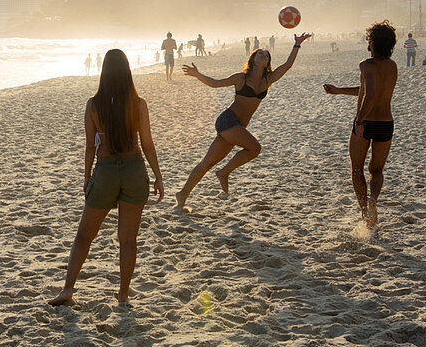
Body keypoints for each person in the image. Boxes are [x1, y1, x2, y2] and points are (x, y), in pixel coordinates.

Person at [49, 49, 164, 306]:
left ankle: (68, 289)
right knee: (127, 239)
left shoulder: (94, 104)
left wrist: (87, 176)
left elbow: (90, 146)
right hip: (135, 170)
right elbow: (147, 143)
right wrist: (158, 176)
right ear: (127, 71)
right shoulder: (139, 103)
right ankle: (123, 294)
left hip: (106, 170)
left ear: (103, 71)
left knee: (84, 236)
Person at [175, 33, 312, 209]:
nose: (263, 55)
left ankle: (182, 194)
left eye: (266, 54)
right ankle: (223, 173)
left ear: (267, 62)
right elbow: (216, 83)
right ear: (253, 59)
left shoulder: (268, 79)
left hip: (237, 127)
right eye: (259, 53)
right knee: (254, 148)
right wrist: (197, 74)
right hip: (228, 120)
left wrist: (297, 44)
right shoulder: (241, 78)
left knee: (207, 162)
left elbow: (287, 65)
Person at [324, 21, 398, 233]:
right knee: (377, 170)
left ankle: (366, 212)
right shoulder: (392, 66)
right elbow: (367, 90)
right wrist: (338, 91)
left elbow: (371, 93)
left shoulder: (366, 64)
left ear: (371, 42)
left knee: (357, 170)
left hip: (365, 123)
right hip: (386, 123)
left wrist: (360, 121)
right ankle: (373, 199)